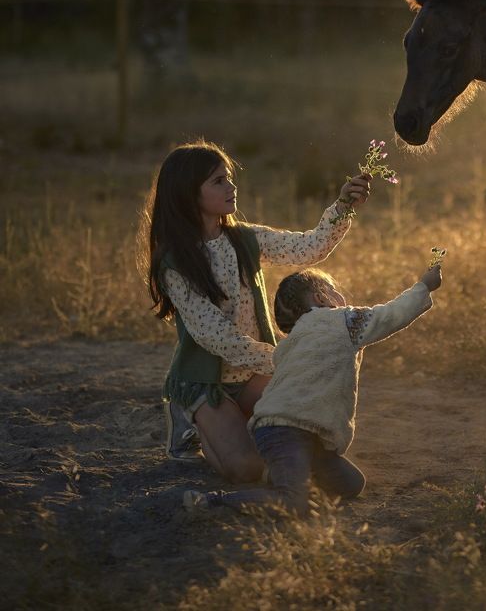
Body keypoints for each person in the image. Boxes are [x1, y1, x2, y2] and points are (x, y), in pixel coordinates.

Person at [141, 139, 371, 483]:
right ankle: (190, 419)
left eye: (229, 177)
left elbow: (308, 248)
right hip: (208, 382)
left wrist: (342, 207)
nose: (232, 186)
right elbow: (218, 337)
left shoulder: (245, 239)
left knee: (305, 405)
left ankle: (303, 451)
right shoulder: (175, 262)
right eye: (218, 181)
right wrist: (285, 358)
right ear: (189, 194)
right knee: (247, 469)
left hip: (254, 375)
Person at [183, 260, 442, 515]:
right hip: (284, 429)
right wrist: (424, 287)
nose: (341, 295)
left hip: (299, 433)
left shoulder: (291, 342)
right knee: (295, 502)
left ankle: (286, 472)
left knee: (351, 484)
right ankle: (213, 502)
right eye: (334, 289)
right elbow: (391, 315)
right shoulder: (344, 321)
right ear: (321, 297)